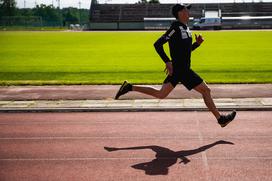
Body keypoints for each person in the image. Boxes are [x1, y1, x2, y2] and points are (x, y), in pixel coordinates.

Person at [114, 4, 236, 127]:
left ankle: (129, 87)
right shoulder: (175, 28)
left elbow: (184, 51)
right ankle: (220, 119)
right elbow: (157, 44)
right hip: (182, 70)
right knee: (206, 90)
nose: (188, 12)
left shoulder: (185, 28)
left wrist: (196, 44)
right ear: (180, 13)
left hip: (179, 70)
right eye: (185, 10)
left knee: (161, 94)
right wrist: (167, 61)